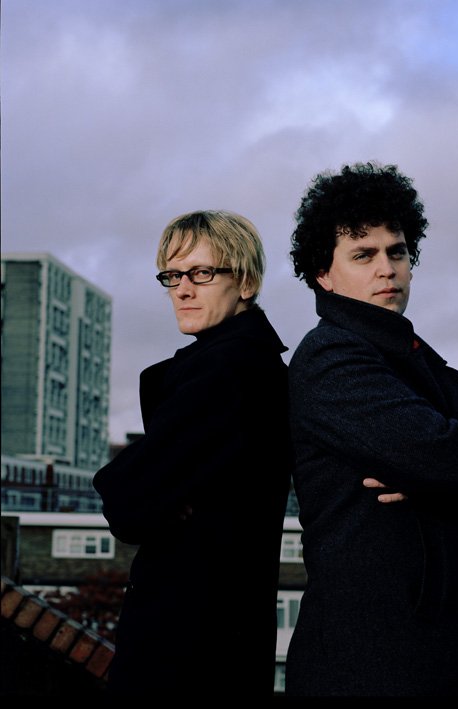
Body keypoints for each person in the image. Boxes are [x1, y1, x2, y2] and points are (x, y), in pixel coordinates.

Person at [284, 162, 458, 698]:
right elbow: (443, 455)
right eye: (363, 255)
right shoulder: (331, 357)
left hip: (435, 651)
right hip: (375, 662)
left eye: (397, 252)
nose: (387, 269)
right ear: (323, 275)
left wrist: (446, 477)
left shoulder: (410, 360)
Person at [93, 210, 292, 696]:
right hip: (214, 635)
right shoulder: (239, 364)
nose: (182, 290)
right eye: (172, 275)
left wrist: (148, 494)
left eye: (201, 273)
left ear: (246, 282)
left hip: (191, 644)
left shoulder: (230, 370)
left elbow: (124, 499)